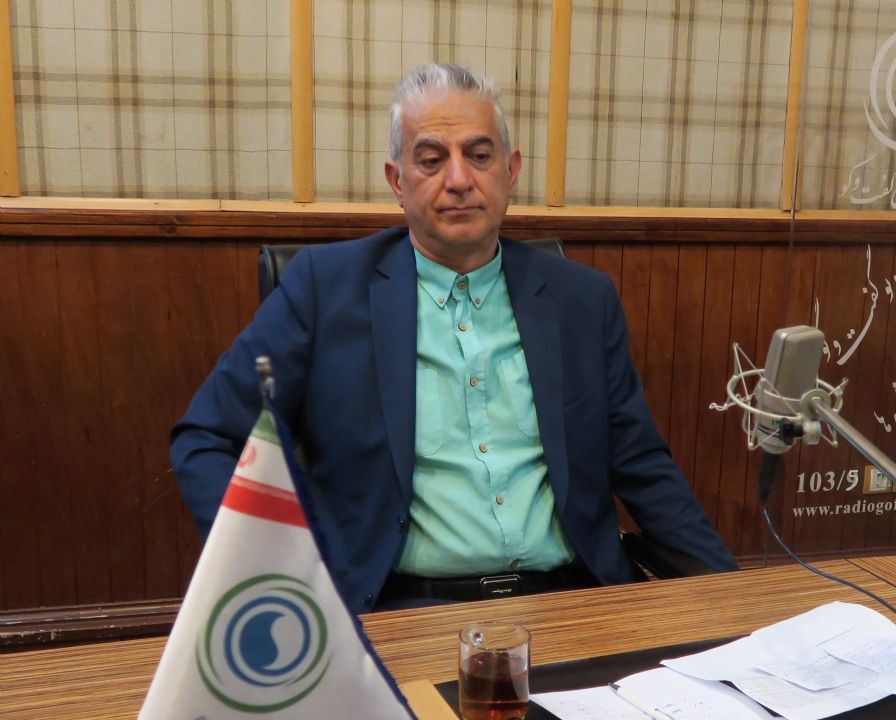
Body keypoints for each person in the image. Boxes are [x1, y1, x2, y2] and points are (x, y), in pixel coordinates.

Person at [171, 63, 737, 614]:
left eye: (480, 155)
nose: (460, 179)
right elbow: (207, 438)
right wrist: (283, 583)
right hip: (402, 612)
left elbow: (641, 464)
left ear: (511, 171)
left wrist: (734, 601)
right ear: (398, 181)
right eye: (432, 159)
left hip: (570, 602)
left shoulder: (582, 300)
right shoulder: (323, 290)